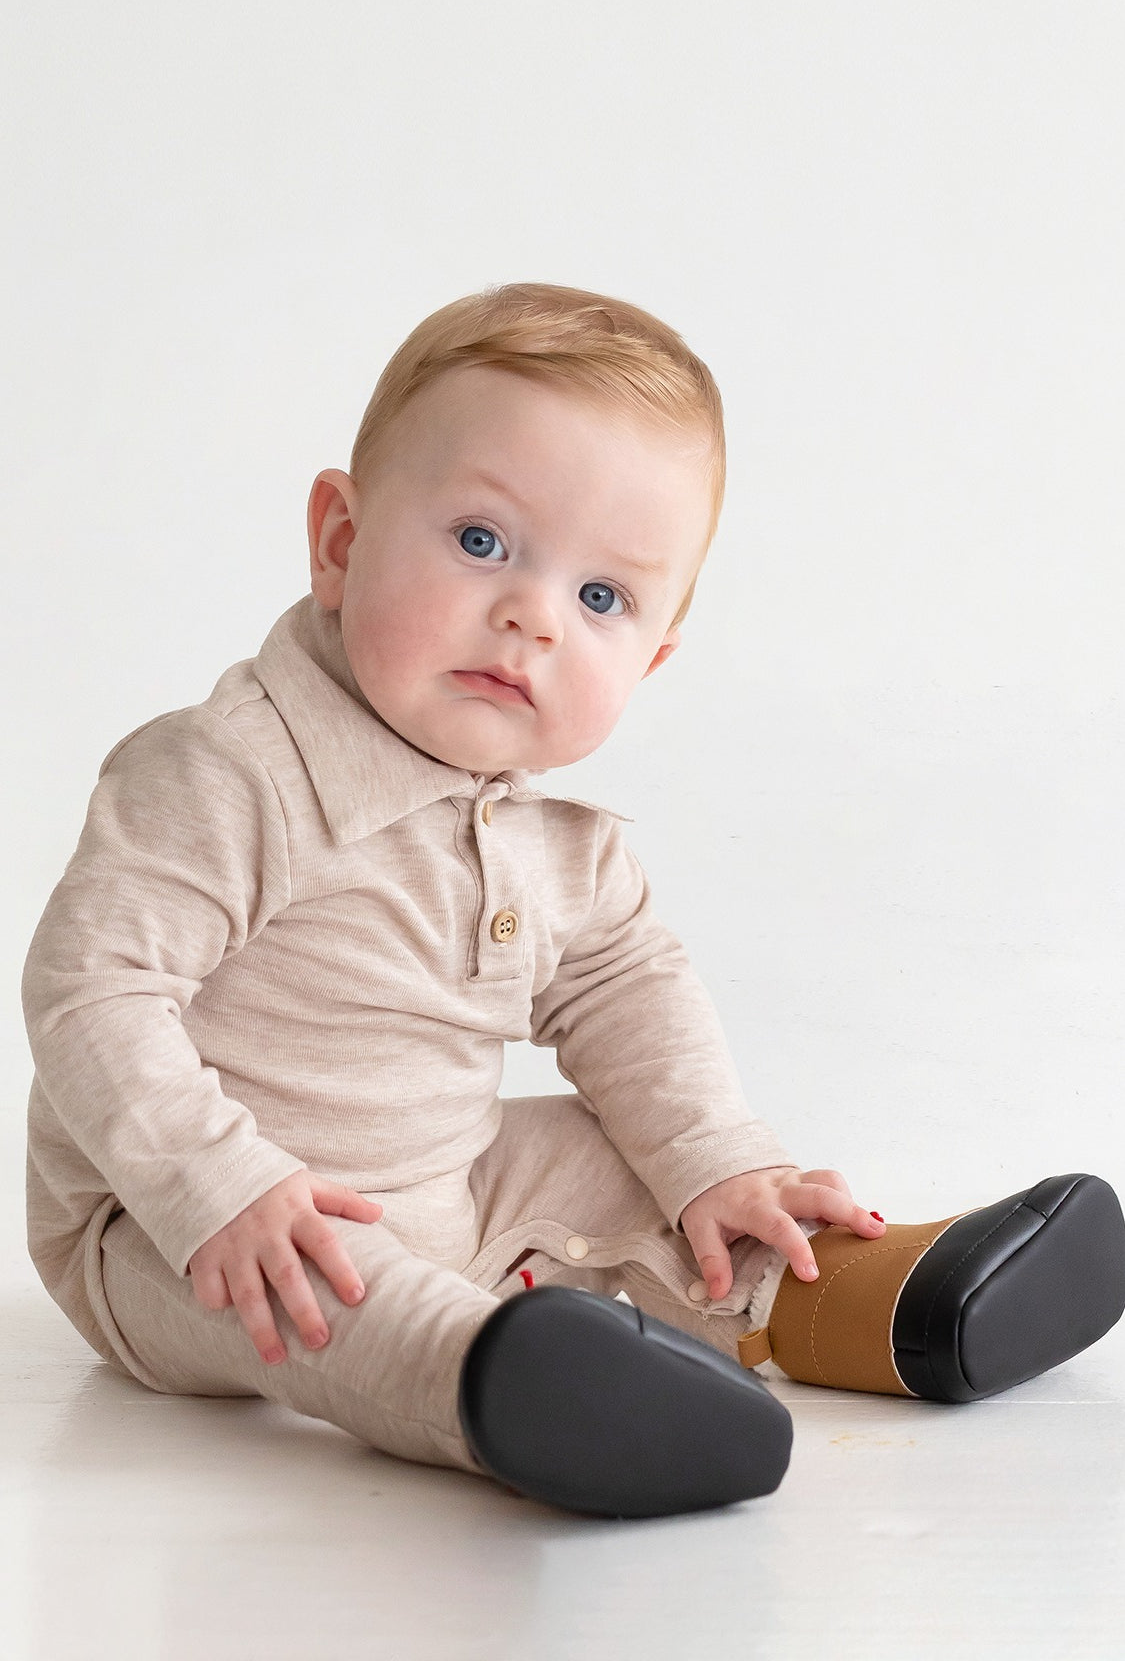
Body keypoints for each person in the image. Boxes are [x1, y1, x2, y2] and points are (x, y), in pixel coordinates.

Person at [22, 283, 1125, 1520]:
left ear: (649, 658)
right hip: (169, 1227)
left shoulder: (548, 830)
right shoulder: (227, 770)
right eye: (482, 541)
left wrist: (719, 1162)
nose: (532, 617)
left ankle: (882, 1307)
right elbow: (92, 988)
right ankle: (502, 1389)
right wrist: (214, 1184)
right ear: (339, 538)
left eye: (602, 599)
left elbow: (623, 991)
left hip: (448, 1174)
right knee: (332, 1294)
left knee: (651, 1168)